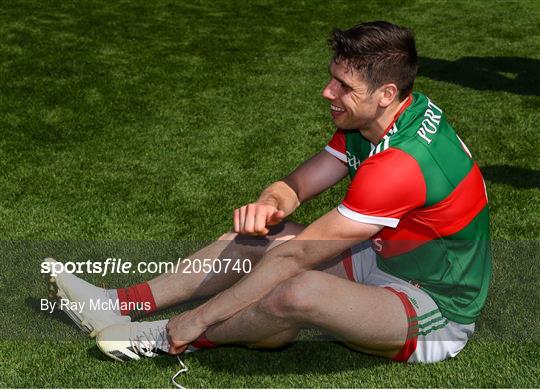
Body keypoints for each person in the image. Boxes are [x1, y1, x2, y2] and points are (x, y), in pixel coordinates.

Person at [45, 20, 491, 365]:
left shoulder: (401, 164)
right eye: (332, 77)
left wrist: (198, 317)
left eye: (343, 87)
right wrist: (269, 204)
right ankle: (115, 304)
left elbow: (297, 256)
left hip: (434, 304)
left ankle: (169, 337)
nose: (327, 92)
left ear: (385, 93)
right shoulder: (384, 115)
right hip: (384, 255)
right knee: (256, 239)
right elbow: (298, 184)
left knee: (297, 292)